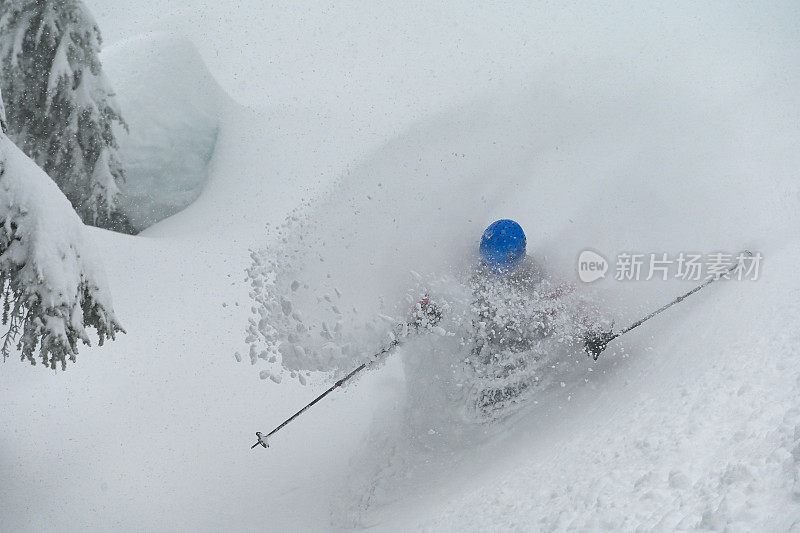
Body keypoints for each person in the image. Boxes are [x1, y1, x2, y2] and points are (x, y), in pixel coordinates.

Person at [414, 219, 606, 419]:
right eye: (489, 263)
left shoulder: (535, 277)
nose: (494, 271)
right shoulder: (471, 269)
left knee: (489, 400)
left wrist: (592, 332)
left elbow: (569, 301)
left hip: (517, 348)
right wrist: (425, 308)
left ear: (517, 258)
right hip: (480, 342)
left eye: (502, 265)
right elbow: (443, 285)